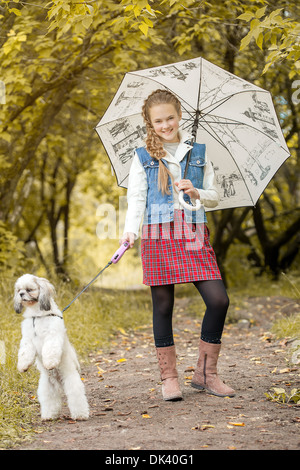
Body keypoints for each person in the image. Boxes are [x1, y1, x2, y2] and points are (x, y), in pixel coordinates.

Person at [120, 89, 235, 401]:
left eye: (170, 117)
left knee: (218, 300)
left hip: (193, 232)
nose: (166, 124)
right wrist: (130, 232)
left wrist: (195, 190)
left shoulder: (197, 151)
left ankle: (206, 374)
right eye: (159, 120)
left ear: (179, 115)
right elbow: (136, 198)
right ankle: (169, 378)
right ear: (150, 122)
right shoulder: (142, 156)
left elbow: (215, 195)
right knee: (163, 306)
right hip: (157, 234)